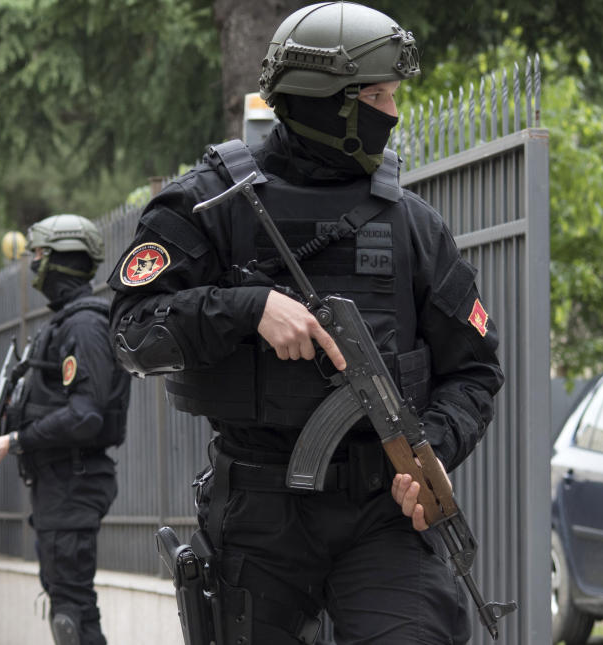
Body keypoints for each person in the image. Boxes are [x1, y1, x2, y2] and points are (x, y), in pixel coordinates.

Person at [107, 2, 505, 643]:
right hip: (257, 516)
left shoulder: (412, 225)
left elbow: (476, 370)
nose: (393, 113)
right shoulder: (210, 204)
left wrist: (430, 448)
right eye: (377, 95)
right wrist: (246, 309)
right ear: (327, 103)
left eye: (395, 95)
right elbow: (130, 331)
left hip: (382, 513)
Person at [0, 214, 132, 645]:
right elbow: (45, 403)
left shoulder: (84, 326)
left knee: (70, 609)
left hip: (74, 482)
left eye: (39, 256)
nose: (33, 265)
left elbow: (86, 416)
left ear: (62, 260)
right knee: (66, 600)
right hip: (59, 483)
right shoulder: (65, 323)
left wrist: (15, 441)